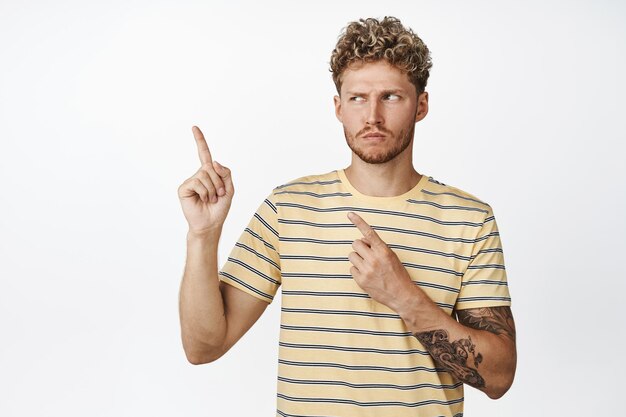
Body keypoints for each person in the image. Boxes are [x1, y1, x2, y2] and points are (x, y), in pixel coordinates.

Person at [177, 16, 516, 417]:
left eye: (391, 96)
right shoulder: (288, 208)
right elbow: (203, 347)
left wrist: (403, 296)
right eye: (357, 98)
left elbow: (498, 378)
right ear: (338, 107)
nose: (372, 115)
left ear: (421, 105)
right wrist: (204, 235)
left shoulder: (468, 219)